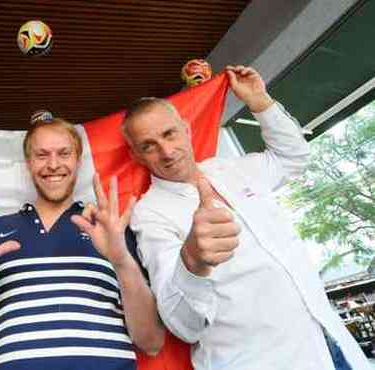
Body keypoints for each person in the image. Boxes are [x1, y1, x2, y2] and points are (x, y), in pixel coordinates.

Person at [123, 65, 370, 370]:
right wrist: (192, 261)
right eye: (149, 146)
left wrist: (261, 103)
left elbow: (294, 157)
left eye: (169, 134)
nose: (166, 151)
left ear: (186, 130)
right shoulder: (150, 213)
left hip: (329, 343)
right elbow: (183, 325)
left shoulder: (232, 168)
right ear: (136, 156)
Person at [0, 118, 165, 370]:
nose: (53, 165)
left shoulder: (110, 229)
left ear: (78, 160)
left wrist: (121, 260)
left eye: (64, 153)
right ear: (29, 163)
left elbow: (151, 342)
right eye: (42, 155)